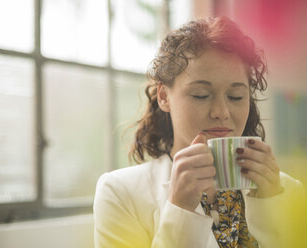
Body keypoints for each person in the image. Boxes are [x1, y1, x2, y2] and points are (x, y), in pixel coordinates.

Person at [93, 16, 305, 248]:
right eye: (201, 95)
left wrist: (271, 205)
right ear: (164, 97)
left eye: (236, 97)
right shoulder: (120, 193)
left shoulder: (288, 190)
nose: (221, 112)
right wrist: (180, 210)